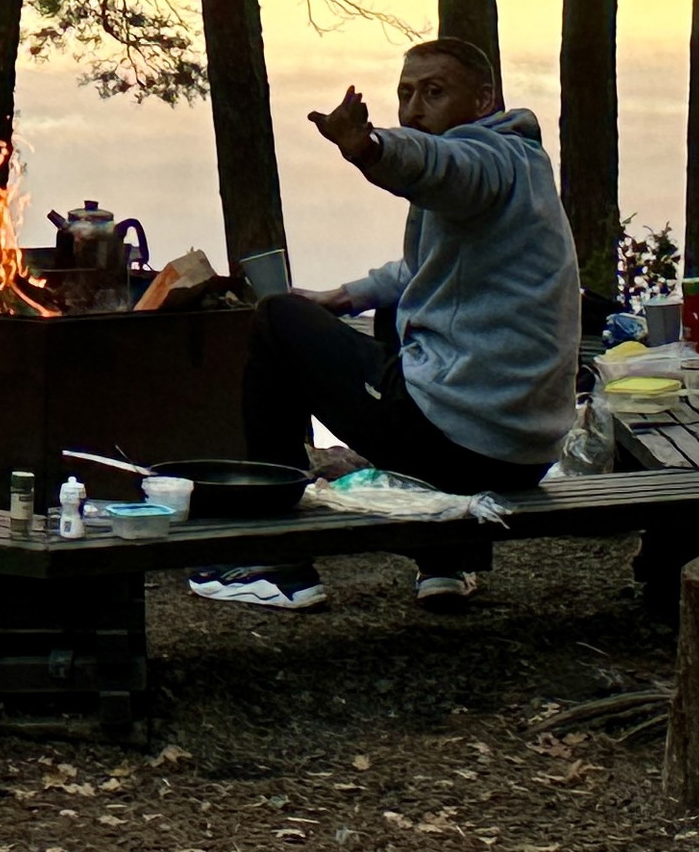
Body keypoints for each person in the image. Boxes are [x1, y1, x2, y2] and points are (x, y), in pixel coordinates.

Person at [190, 37, 579, 614]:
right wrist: (344, 298)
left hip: (460, 444)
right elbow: (424, 268)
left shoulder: (486, 158)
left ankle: (278, 562)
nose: (416, 107)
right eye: (405, 93)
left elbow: (442, 166)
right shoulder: (524, 168)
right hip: (525, 450)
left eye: (435, 91)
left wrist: (369, 146)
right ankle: (443, 561)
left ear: (483, 99)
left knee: (276, 319)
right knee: (394, 309)